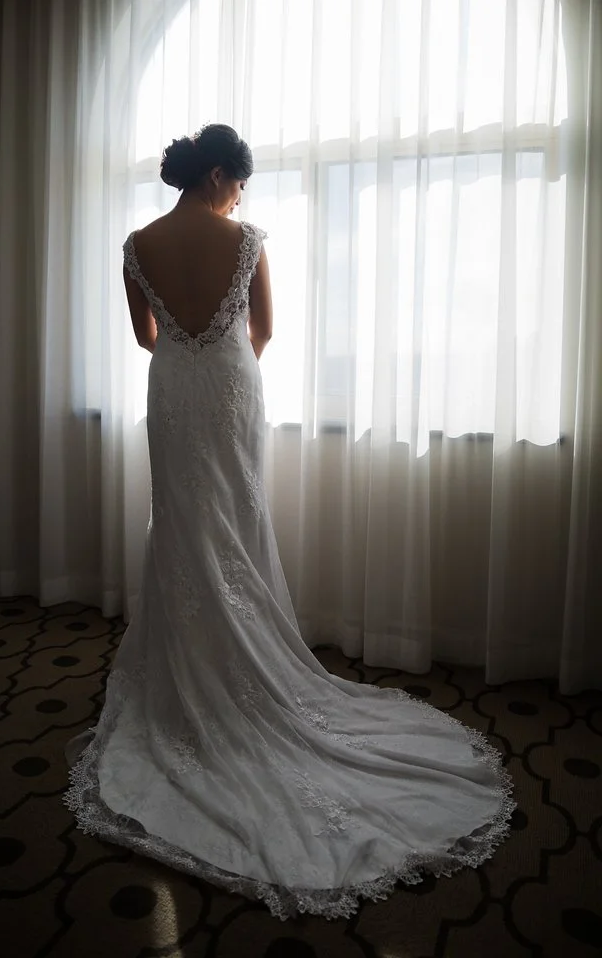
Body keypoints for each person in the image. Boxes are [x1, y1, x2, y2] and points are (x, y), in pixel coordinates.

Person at [64, 123, 515, 921]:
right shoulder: (246, 241)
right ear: (215, 175)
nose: (242, 196)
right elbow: (262, 330)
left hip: (171, 394)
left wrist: (185, 355)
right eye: (238, 182)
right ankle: (244, 672)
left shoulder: (135, 245)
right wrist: (224, 366)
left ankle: (192, 675)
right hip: (232, 392)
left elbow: (146, 337)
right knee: (235, 522)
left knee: (181, 526)